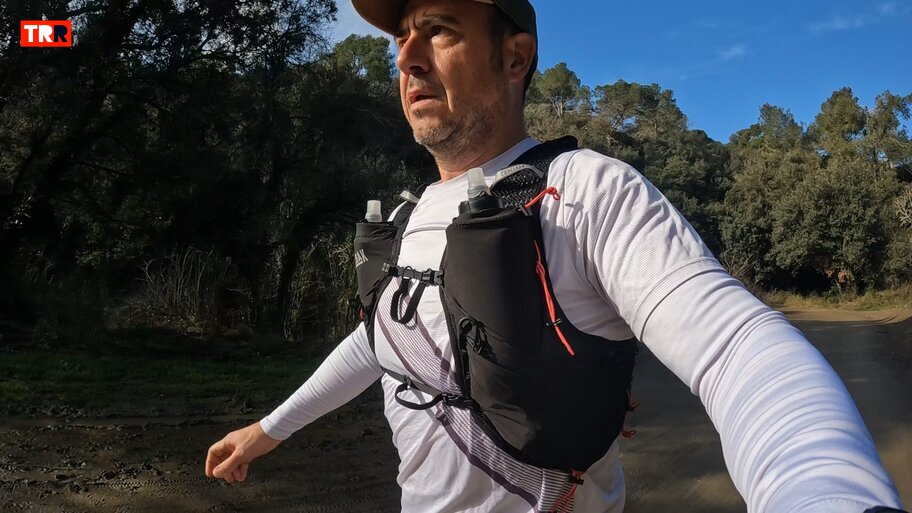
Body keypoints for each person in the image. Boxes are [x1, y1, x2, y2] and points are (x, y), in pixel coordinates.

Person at [205, 1, 907, 512]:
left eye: (439, 30)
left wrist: (824, 491)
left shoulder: (587, 190)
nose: (407, 57)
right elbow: (381, 339)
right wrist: (267, 429)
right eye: (401, 38)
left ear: (515, 57)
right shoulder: (413, 216)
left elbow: (737, 350)